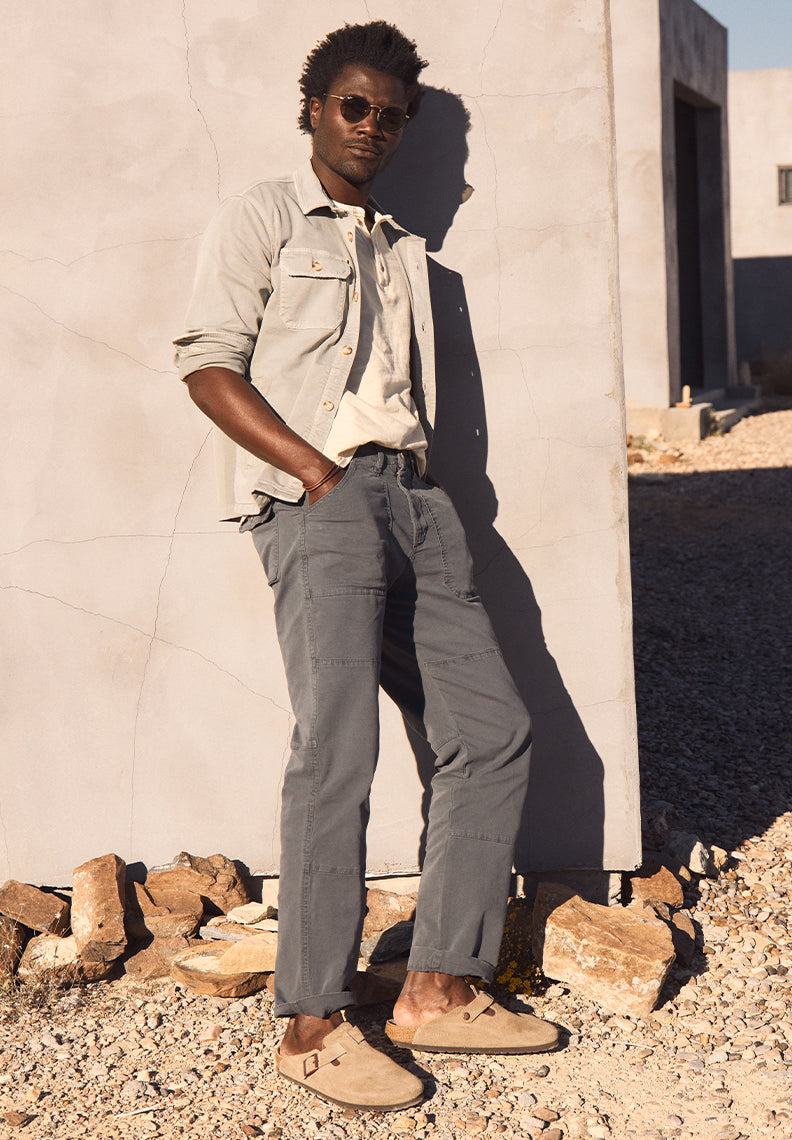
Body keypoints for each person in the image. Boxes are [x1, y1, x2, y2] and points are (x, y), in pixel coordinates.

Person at [173, 20, 557, 1113]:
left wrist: (412, 494)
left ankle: (437, 987)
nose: (371, 127)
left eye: (390, 115)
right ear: (313, 109)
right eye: (353, 106)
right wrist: (315, 475)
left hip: (418, 502)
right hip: (322, 498)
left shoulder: (404, 249)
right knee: (337, 752)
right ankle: (310, 1022)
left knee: (491, 730)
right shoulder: (261, 216)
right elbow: (205, 363)